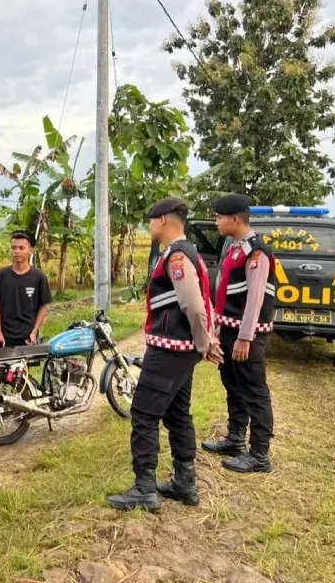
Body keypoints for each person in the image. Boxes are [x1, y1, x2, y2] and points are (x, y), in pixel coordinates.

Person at [106, 197, 223, 511]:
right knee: (177, 414)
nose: (148, 226)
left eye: (150, 220)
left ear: (162, 221)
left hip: (169, 349)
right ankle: (185, 483)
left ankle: (144, 488)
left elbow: (194, 306)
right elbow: (204, 303)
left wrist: (204, 342)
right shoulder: (189, 253)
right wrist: (205, 341)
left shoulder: (176, 257)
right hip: (181, 351)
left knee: (144, 414)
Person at [202, 193, 277, 473]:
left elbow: (255, 299)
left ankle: (259, 455)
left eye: (219, 217)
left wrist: (245, 337)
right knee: (233, 385)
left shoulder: (256, 252)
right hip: (230, 329)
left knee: (254, 390)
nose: (217, 222)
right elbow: (227, 294)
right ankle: (235, 439)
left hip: (247, 335)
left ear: (235, 219)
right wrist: (218, 326)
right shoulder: (235, 248)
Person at [0, 230, 53, 348]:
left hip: (28, 337)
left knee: (26, 361)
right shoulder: (1, 275)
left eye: (21, 248)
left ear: (30, 251)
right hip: (4, 338)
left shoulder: (39, 277)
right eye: (13, 248)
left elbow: (43, 307)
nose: (17, 251)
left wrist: (34, 331)